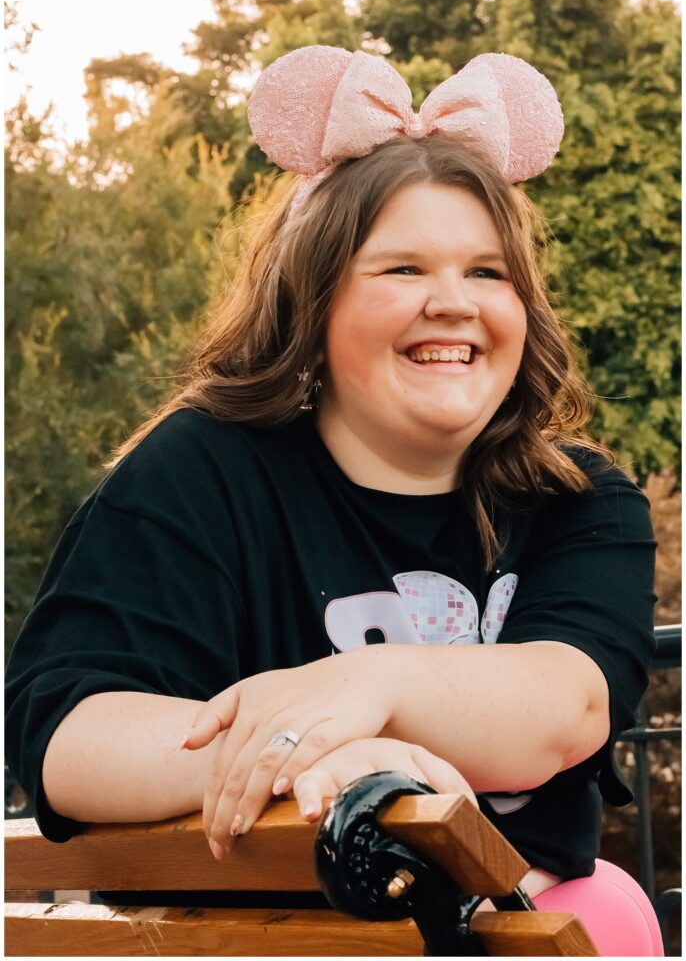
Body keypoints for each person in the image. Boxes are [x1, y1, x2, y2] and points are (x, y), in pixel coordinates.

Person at [5, 47, 663, 954]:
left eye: (487, 272)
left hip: (518, 927)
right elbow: (70, 734)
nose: (452, 303)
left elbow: (567, 708)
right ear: (313, 304)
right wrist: (317, 763)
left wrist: (369, 684)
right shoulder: (202, 471)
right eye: (401, 271)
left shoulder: (578, 496)